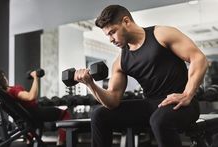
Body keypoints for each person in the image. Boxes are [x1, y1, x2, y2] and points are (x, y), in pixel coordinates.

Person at [73, 5, 208, 147]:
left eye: (113, 32)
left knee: (159, 120)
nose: (111, 40)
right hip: (151, 106)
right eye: (108, 35)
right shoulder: (120, 61)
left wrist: (187, 94)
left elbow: (199, 59)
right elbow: (112, 101)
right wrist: (90, 84)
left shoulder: (161, 34)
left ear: (126, 21)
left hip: (183, 104)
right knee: (99, 115)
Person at [0, 66, 70, 146]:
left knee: (36, 125)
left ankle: (30, 140)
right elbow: (31, 96)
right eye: (4, 76)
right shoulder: (13, 91)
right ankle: (61, 142)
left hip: (24, 119)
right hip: (35, 114)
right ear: (2, 78)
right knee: (65, 114)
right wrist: (36, 78)